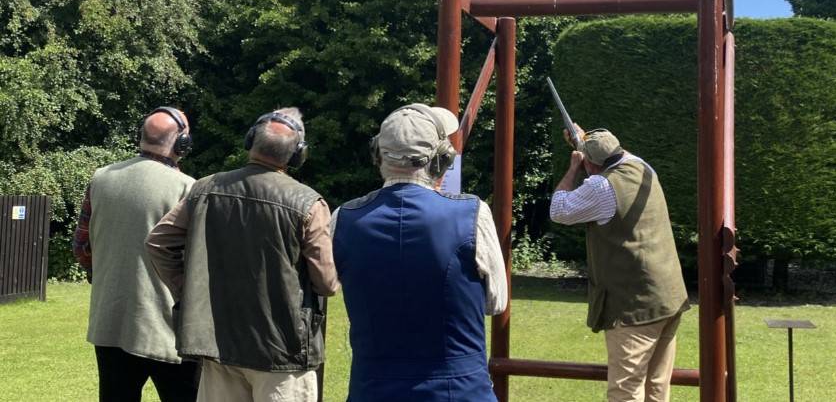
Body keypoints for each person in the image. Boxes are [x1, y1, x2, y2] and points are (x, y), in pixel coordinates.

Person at [146, 107, 337, 402]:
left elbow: (158, 243)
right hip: (282, 349)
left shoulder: (204, 189)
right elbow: (326, 283)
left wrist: (188, 290)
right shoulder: (309, 204)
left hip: (218, 342)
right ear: (298, 154)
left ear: (251, 140)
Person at [332, 103, 507, 401]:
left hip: (372, 390)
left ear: (377, 154)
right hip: (461, 391)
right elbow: (496, 302)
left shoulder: (343, 218)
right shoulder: (473, 213)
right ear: (441, 160)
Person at [550, 127, 689, 402]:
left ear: (591, 164)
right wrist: (584, 140)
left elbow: (559, 209)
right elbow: (606, 158)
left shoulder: (601, 186)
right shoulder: (641, 165)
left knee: (625, 392)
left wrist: (574, 166)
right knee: (657, 389)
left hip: (633, 305)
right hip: (668, 297)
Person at [72, 106, 201, 402]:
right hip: (168, 330)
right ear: (182, 143)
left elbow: (81, 247)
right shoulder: (189, 189)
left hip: (109, 323)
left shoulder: (100, 178)